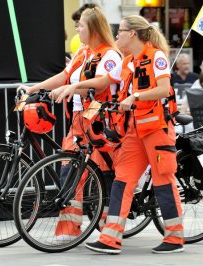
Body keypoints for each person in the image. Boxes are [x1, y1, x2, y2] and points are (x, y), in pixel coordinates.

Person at [51, 15, 184, 254]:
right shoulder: (128, 61)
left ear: (132, 34)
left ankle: (174, 238)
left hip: (156, 130)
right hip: (134, 131)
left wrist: (136, 97)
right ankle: (110, 238)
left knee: (163, 181)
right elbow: (103, 80)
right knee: (122, 181)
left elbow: (164, 89)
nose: (116, 36)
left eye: (120, 31)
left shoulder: (157, 57)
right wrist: (73, 86)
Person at [24, 7, 122, 240]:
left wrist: (72, 88)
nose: (77, 29)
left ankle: (108, 228)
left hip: (100, 119)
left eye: (81, 26)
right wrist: (34, 88)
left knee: (104, 172)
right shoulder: (83, 52)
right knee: (68, 169)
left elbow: (101, 83)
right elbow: (64, 76)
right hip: (79, 119)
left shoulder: (110, 54)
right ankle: (69, 229)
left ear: (94, 29)